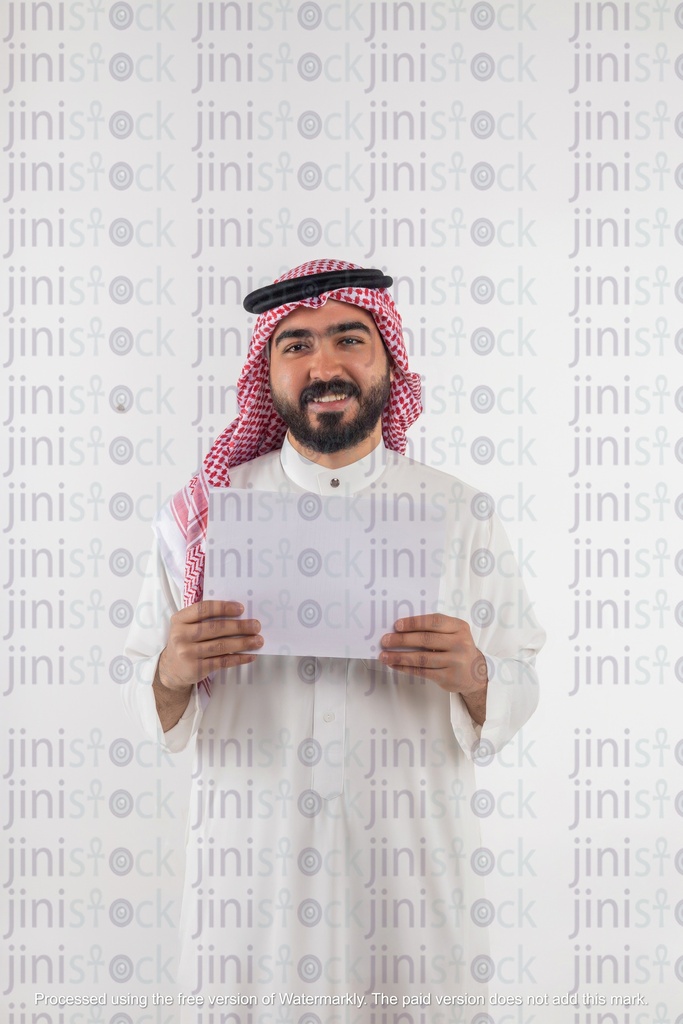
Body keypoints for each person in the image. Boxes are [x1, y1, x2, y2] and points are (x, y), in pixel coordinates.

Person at [124, 258, 545, 1021]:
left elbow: (521, 677)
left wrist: (476, 672)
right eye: (296, 346)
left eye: (349, 339)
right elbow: (138, 694)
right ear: (269, 372)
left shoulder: (461, 514)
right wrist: (170, 673)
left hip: (410, 884)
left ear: (387, 359)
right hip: (252, 892)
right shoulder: (198, 520)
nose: (324, 365)